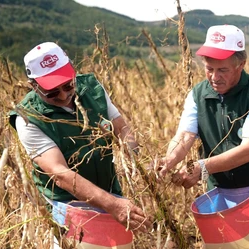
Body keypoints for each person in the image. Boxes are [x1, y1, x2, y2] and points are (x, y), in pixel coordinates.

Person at [157, 24, 249, 248]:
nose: (214, 77)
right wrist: (169, 160)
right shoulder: (198, 94)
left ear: (241, 64)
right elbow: (186, 134)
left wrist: (201, 168)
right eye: (209, 69)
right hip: (220, 194)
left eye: (223, 70)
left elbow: (248, 150)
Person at [9, 42, 152, 243]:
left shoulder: (93, 88)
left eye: (68, 85)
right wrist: (113, 205)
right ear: (34, 85)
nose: (64, 95)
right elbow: (61, 175)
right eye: (52, 92)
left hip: (108, 191)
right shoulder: (27, 118)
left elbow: (121, 128)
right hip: (68, 204)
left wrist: (137, 161)